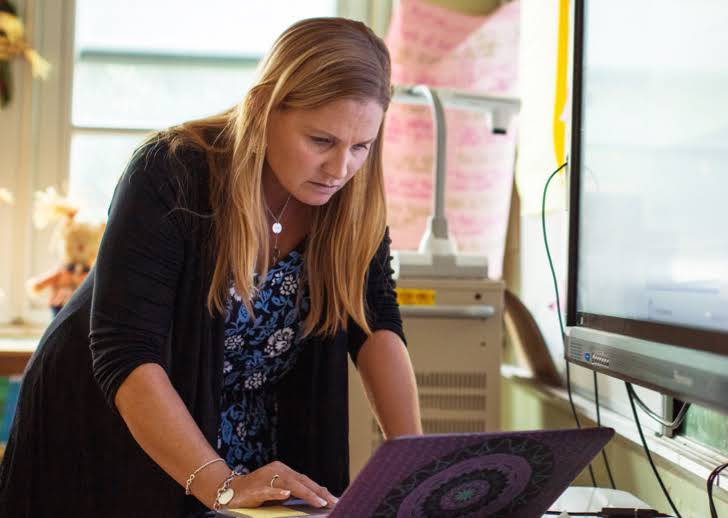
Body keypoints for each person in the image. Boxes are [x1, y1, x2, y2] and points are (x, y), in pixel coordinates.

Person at [0, 17, 422, 518]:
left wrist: (414, 468)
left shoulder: (353, 199)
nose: (340, 170)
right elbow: (126, 351)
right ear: (264, 106)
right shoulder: (173, 170)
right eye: (321, 141)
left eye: (360, 147)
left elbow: (375, 323)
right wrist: (220, 483)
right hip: (114, 423)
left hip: (240, 434)